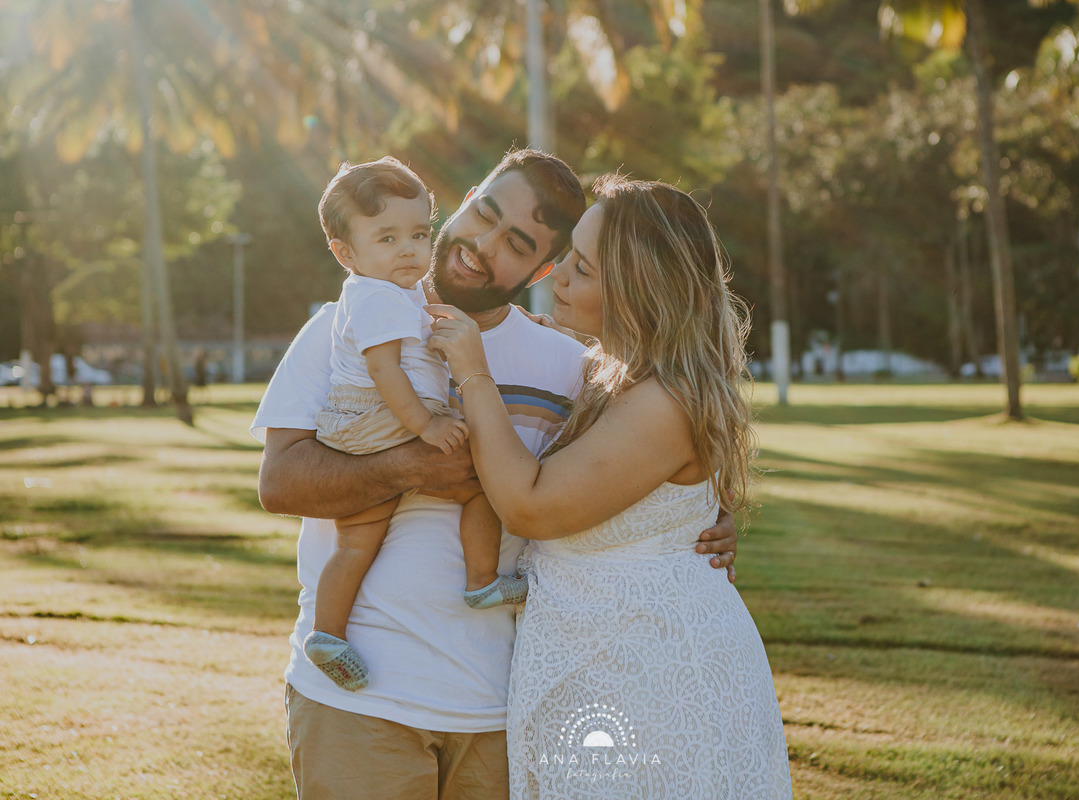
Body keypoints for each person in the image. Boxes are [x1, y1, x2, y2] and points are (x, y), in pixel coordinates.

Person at [251, 149, 741, 800]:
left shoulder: (573, 367)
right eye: (483, 213)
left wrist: (711, 522)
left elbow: (656, 460)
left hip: (503, 710)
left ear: (542, 268)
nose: (482, 246)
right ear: (463, 198)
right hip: (361, 702)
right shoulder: (348, 325)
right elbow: (279, 483)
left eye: (515, 243)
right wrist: (410, 467)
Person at [428, 174, 792, 799]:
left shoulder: (664, 403)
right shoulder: (612, 374)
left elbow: (530, 504)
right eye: (564, 257)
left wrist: (472, 373)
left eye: (582, 269)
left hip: (649, 679)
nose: (557, 277)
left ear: (637, 293)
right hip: (602, 666)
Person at [302, 157, 524, 694]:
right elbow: (383, 370)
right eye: (387, 238)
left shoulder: (391, 291)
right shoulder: (375, 297)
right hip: (375, 419)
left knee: (358, 540)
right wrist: (425, 425)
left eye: (420, 233)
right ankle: (480, 581)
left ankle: (328, 634)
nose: (409, 249)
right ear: (346, 253)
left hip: (370, 420)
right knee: (480, 475)